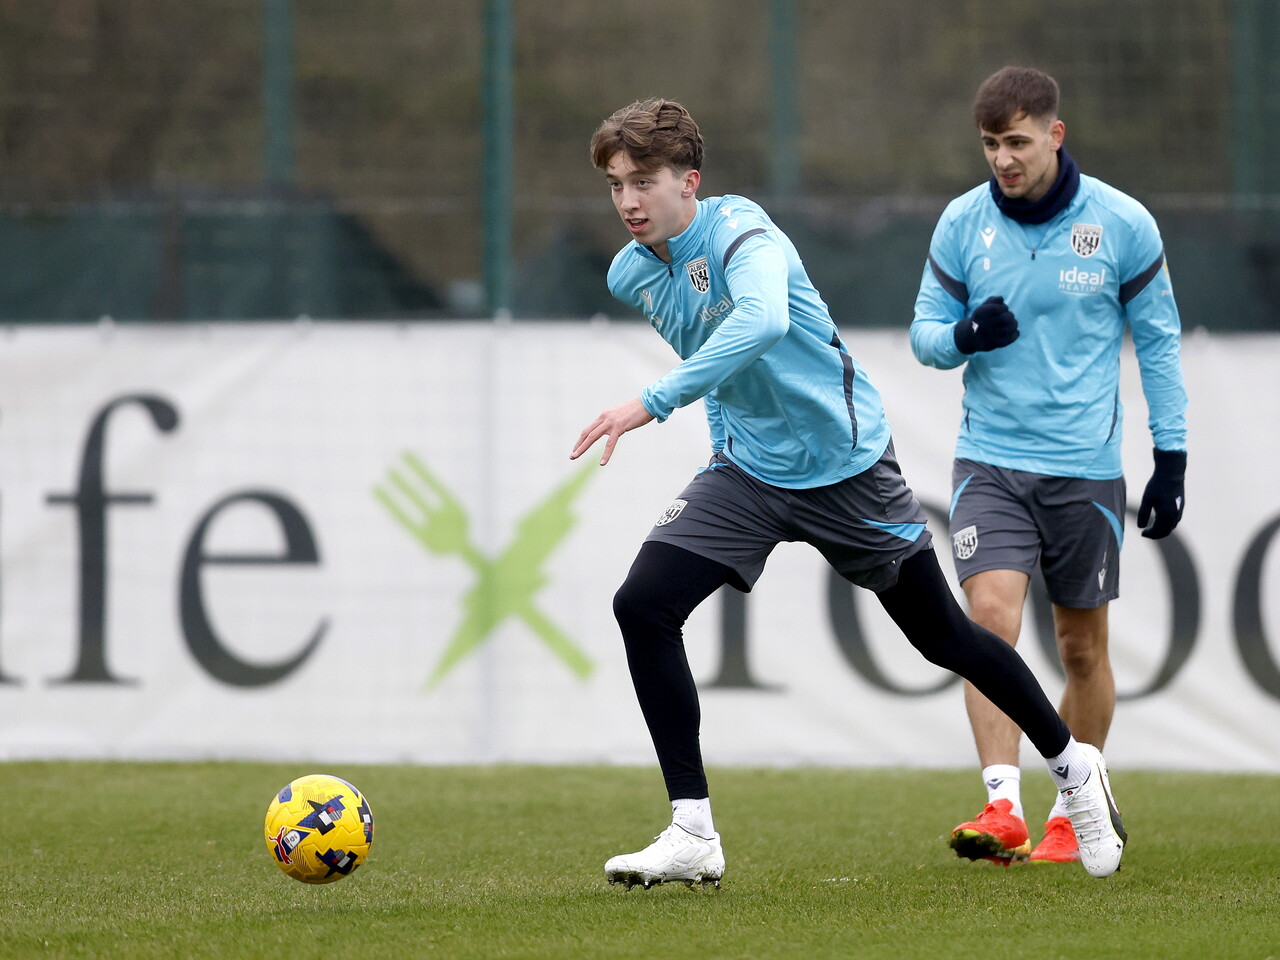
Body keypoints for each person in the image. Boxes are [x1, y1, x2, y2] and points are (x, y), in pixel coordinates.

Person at [571, 97, 1127, 887]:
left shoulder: (742, 233)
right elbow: (724, 360)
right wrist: (726, 452)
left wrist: (650, 401)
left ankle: (1075, 770)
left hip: (848, 468)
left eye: (644, 181)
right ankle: (691, 830)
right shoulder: (633, 272)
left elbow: (760, 322)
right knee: (644, 605)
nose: (628, 200)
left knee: (946, 640)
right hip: (752, 475)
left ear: (689, 180)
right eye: (615, 185)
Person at [910, 66, 1187, 867]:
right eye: (993, 144)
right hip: (989, 461)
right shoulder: (963, 224)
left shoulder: (1122, 223)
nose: (1004, 158)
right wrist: (964, 336)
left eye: (1019, 142)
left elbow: (1160, 343)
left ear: (1055, 136)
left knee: (1081, 651)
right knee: (987, 623)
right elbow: (924, 333)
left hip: (1085, 470)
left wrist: (1171, 457)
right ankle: (1002, 807)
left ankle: (1077, 808)